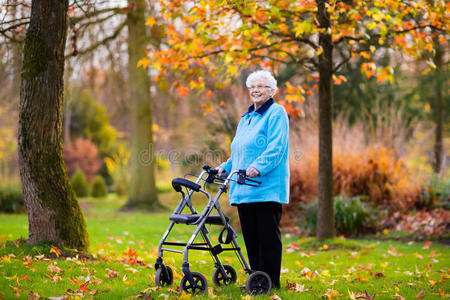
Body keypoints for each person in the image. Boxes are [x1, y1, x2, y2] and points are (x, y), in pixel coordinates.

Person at [217, 70, 289, 289]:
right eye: (252, 87)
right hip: (243, 188)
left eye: (261, 86)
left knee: (267, 239)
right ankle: (257, 281)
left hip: (266, 188)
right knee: (251, 239)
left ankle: (271, 283)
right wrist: (224, 167)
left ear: (272, 90)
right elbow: (239, 154)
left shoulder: (276, 113)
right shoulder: (246, 119)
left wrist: (258, 167)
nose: (256, 90)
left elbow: (276, 148)